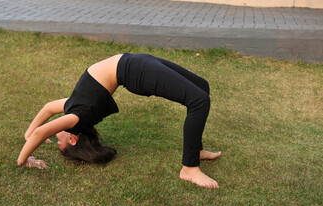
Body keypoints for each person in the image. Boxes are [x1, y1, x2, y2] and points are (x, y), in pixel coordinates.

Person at [17, 53, 222, 188]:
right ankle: (189, 168)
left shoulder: (74, 108)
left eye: (56, 140)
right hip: (135, 72)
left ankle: (196, 150)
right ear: (73, 139)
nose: (55, 136)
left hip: (135, 62)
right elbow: (41, 132)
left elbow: (47, 110)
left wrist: (28, 137)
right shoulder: (76, 118)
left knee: (201, 87)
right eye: (58, 141)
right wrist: (25, 159)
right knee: (199, 101)